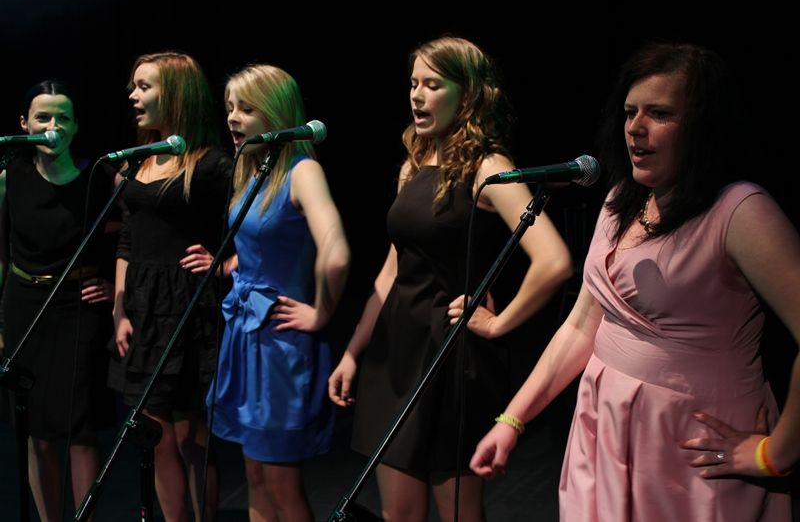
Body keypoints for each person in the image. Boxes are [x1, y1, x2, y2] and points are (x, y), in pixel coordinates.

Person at [470, 42, 800, 521]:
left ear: (703, 125)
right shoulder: (621, 199)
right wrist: (512, 419)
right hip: (606, 424)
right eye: (630, 112)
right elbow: (581, 326)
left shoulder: (740, 212)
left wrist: (778, 453)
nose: (635, 128)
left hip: (692, 444)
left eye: (659, 114)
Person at [328, 36, 572, 521]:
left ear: (468, 94)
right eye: (413, 84)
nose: (417, 95)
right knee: (399, 514)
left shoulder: (489, 168)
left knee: (459, 514)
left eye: (433, 85)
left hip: (450, 354)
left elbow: (554, 260)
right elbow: (393, 268)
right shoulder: (414, 164)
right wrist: (353, 351)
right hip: (396, 350)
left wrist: (498, 323)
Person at [201, 64, 349, 522]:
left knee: (282, 484)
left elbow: (336, 253)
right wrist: (233, 264)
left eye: (247, 108)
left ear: (276, 113)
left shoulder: (302, 171)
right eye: (230, 107)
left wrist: (321, 312)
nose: (233, 117)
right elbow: (266, 238)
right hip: (247, 336)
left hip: (281, 346)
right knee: (256, 477)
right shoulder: (253, 170)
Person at [107, 52, 231, 522]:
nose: (133, 96)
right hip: (143, 307)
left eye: (144, 87)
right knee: (153, 434)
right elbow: (127, 237)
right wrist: (119, 308)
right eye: (133, 86)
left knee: (190, 436)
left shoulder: (212, 165)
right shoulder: (139, 160)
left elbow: (260, 224)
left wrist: (224, 264)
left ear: (175, 94)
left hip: (188, 307)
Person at [0, 80, 116, 521]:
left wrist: (113, 287)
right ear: (24, 124)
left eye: (63, 117)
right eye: (44, 117)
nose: (54, 125)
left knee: (80, 428)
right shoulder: (10, 178)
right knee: (37, 430)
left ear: (76, 125)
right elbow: (1, 254)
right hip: (25, 306)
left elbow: (134, 238)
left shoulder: (100, 176)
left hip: (78, 308)